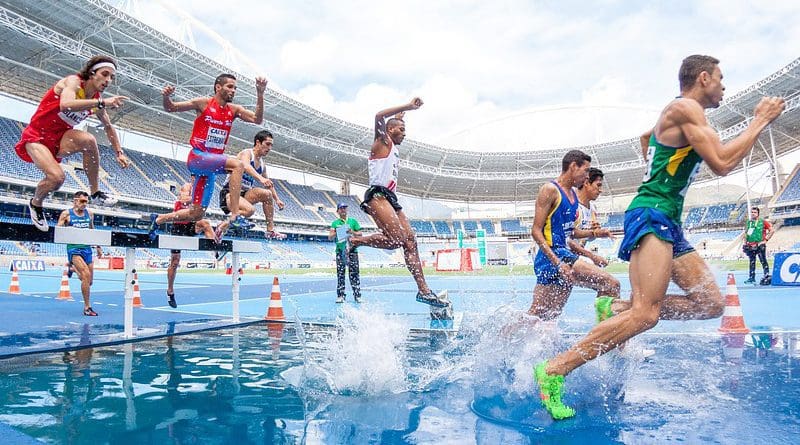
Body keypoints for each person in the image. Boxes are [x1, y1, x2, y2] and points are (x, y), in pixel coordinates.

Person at [534, 55, 785, 420]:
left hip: (667, 218)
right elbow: (722, 162)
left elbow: (646, 138)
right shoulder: (685, 108)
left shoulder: (684, 116)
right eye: (720, 78)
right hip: (652, 215)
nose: (724, 86)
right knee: (646, 315)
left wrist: (660, 166)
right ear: (703, 78)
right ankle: (554, 370)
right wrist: (760, 119)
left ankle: (616, 308)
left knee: (710, 304)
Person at [348, 98, 449, 308]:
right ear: (390, 130)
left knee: (410, 241)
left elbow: (392, 121)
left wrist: (402, 117)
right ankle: (356, 241)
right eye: (401, 129)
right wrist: (407, 107)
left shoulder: (392, 145)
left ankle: (424, 291)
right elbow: (379, 116)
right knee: (396, 240)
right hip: (378, 195)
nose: (405, 133)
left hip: (391, 198)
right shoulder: (382, 141)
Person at [16, 55, 130, 231]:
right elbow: (65, 105)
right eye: (105, 74)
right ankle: (36, 203)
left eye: (111, 77)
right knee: (57, 178)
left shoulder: (96, 100)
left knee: (89, 140)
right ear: (92, 73)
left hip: (60, 138)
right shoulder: (73, 82)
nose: (108, 80)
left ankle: (95, 192)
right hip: (37, 136)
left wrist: (119, 152)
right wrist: (102, 102)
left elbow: (108, 126)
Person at [147, 73, 267, 239]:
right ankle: (234, 216)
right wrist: (166, 97)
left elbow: (257, 120)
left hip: (210, 167)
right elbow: (171, 107)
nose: (233, 91)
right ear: (218, 87)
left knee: (196, 214)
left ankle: (159, 219)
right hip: (198, 157)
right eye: (230, 87)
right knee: (238, 165)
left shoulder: (233, 110)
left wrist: (260, 93)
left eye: (235, 88)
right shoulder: (203, 103)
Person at [529, 151, 620, 322]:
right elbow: (535, 230)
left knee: (543, 315)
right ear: (573, 166)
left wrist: (595, 233)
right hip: (554, 255)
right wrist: (559, 263)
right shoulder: (550, 189)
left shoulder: (572, 196)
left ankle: (501, 339)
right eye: (585, 171)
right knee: (611, 284)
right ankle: (608, 339)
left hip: (563, 256)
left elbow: (572, 233)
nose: (586, 177)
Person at [218, 130, 286, 238]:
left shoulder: (263, 165)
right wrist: (260, 178)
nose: (269, 148)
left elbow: (268, 183)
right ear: (258, 143)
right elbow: (245, 165)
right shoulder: (247, 153)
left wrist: (277, 199)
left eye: (271, 145)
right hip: (230, 193)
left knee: (267, 194)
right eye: (267, 144)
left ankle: (270, 230)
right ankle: (223, 226)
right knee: (250, 210)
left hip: (244, 194)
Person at [166, 182, 216, 308]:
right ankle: (170, 290)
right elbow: (186, 200)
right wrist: (196, 197)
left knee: (205, 223)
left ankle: (214, 248)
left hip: (190, 226)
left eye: (190, 191)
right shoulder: (180, 201)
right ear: (181, 192)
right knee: (175, 262)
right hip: (177, 228)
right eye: (187, 191)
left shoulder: (194, 199)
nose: (189, 193)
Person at [57, 191, 99, 316]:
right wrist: (65, 229)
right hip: (74, 249)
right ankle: (87, 307)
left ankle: (73, 269)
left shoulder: (89, 214)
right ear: (75, 201)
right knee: (85, 275)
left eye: (86, 201)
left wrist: (98, 246)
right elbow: (58, 230)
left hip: (87, 248)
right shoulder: (66, 214)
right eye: (82, 201)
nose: (84, 204)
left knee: (89, 281)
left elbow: (92, 230)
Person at [329, 203, 362, 303]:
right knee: (340, 274)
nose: (343, 210)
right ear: (338, 211)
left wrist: (351, 231)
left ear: (347, 210)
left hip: (353, 251)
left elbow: (360, 234)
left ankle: (357, 295)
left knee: (355, 274)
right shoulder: (335, 223)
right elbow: (330, 237)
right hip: (340, 251)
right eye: (341, 208)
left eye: (345, 208)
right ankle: (341, 295)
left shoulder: (353, 221)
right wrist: (340, 231)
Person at [742, 207, 773, 285]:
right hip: (750, 245)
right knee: (752, 262)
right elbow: (746, 234)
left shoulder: (763, 222)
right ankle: (752, 278)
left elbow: (772, 230)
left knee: (763, 260)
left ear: (758, 213)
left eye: (755, 212)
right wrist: (745, 243)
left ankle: (766, 275)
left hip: (760, 244)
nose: (753, 213)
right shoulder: (749, 222)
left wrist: (765, 240)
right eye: (752, 212)